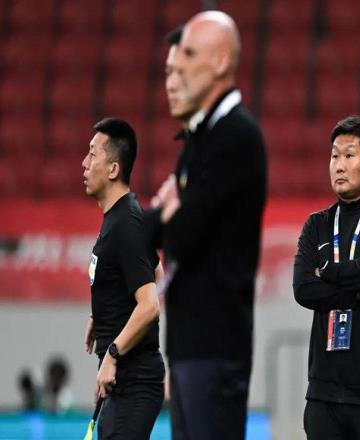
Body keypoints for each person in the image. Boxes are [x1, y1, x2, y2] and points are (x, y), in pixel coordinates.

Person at [146, 11, 267, 440]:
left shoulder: (235, 136)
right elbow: (162, 228)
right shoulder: (201, 140)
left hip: (215, 346)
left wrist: (171, 214)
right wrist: (168, 213)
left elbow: (182, 235)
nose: (178, 68)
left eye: (190, 55)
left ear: (220, 62)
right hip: (192, 345)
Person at [293, 116, 360, 440]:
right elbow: (303, 289)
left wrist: (328, 271)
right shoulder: (316, 225)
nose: (339, 165)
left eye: (349, 155)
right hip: (323, 392)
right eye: (334, 156)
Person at [82, 118, 165, 439]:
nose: (84, 163)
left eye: (92, 154)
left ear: (113, 169)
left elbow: (150, 305)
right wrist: (102, 313)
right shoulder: (121, 217)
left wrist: (113, 355)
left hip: (133, 380)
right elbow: (155, 271)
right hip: (123, 380)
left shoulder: (126, 223)